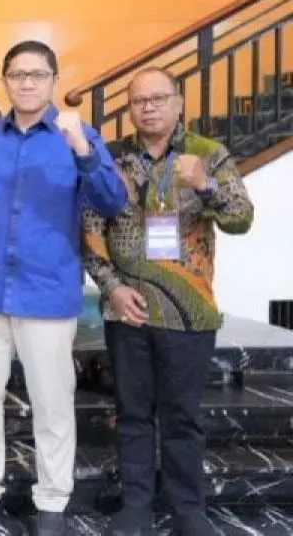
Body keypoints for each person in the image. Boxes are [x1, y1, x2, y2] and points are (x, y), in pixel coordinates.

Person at [0, 40, 127, 536]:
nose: (27, 83)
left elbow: (112, 202)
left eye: (38, 74)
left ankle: (51, 501)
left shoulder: (78, 136)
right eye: (18, 74)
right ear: (4, 80)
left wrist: (83, 151)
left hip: (47, 293)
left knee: (52, 402)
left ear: (53, 81)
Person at [83, 68, 254, 536]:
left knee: (182, 417)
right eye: (139, 101)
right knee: (133, 414)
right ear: (130, 109)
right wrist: (112, 288)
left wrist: (206, 185)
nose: (149, 108)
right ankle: (135, 505)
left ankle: (187, 508)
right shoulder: (110, 158)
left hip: (189, 312)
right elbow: (91, 231)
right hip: (128, 310)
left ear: (178, 102)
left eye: (158, 99)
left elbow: (241, 219)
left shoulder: (207, 153)